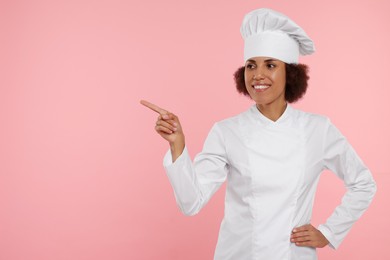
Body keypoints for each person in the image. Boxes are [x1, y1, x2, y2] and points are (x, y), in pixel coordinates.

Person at [140, 8, 376, 260]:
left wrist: (329, 232)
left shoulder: (317, 129)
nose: (258, 75)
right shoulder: (227, 131)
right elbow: (191, 203)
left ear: (290, 74)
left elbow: (364, 183)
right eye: (251, 65)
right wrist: (178, 145)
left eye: (270, 65)